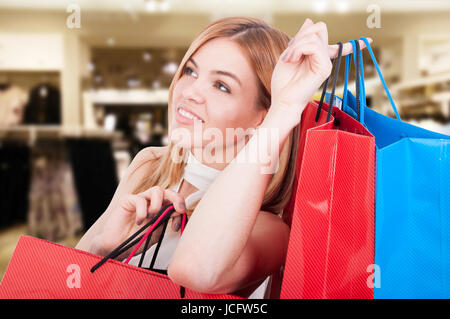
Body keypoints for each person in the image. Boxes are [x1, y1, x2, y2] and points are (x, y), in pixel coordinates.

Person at [75, 17, 371, 298]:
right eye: (190, 71)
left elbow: (194, 270)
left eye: (221, 86)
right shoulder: (149, 165)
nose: (190, 92)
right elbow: (70, 274)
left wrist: (286, 108)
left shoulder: (269, 228)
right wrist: (105, 247)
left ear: (262, 116)